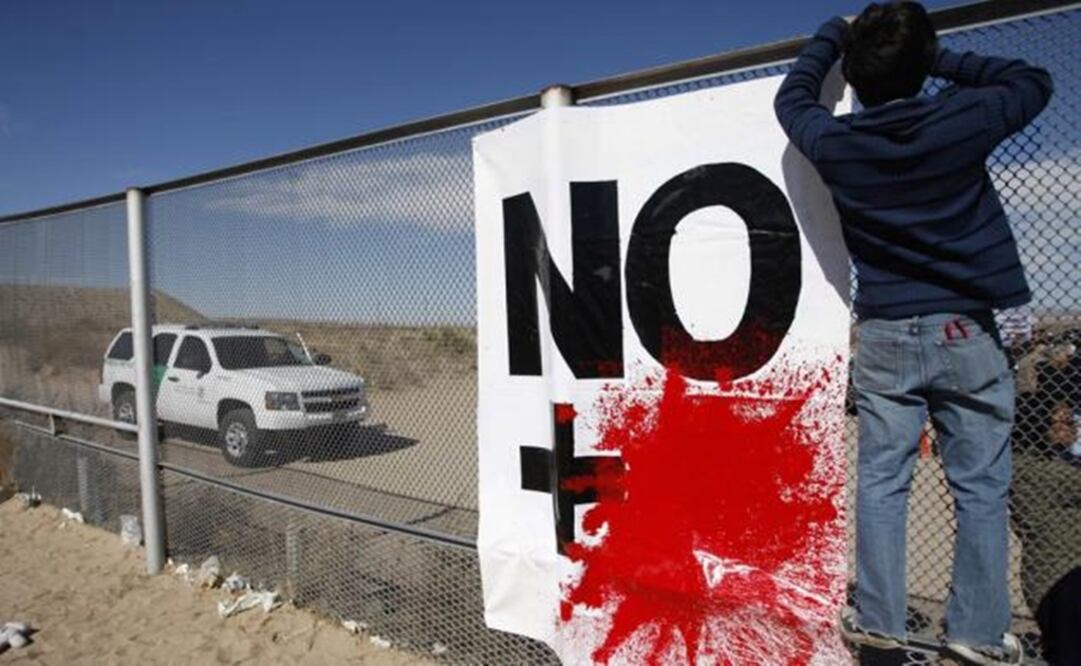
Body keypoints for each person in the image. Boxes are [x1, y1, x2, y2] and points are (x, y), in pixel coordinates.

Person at [773, 2, 1053, 664]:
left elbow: (791, 100)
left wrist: (830, 39)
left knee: (881, 479)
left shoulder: (839, 145)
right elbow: (1029, 80)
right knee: (979, 484)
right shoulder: (960, 118)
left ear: (858, 73)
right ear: (920, 63)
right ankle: (976, 632)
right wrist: (935, 57)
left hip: (887, 329)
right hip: (966, 327)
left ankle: (878, 619)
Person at [1011, 353, 1081, 665]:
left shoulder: (1034, 462)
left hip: (1049, 572)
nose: (1073, 428)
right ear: (1042, 426)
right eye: (1064, 422)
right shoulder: (1043, 473)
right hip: (1059, 574)